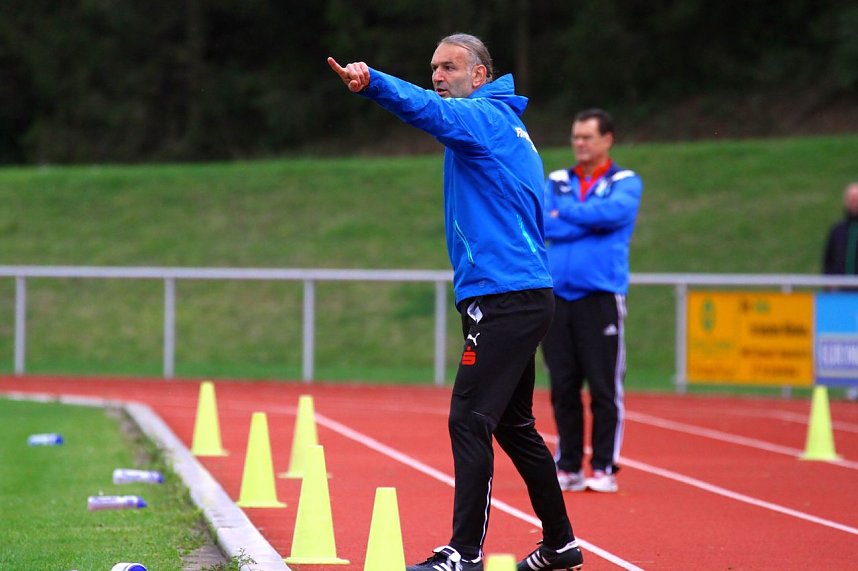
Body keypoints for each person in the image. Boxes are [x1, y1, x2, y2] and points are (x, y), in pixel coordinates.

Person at [329, 34, 583, 571]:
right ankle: (560, 545)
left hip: (505, 297)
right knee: (514, 426)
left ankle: (465, 553)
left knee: (469, 419)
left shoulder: (484, 119)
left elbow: (424, 109)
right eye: (433, 68)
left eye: (449, 67)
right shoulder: (507, 126)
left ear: (481, 76)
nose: (438, 76)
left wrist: (373, 82)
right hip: (520, 293)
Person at [541, 109, 643, 494]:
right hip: (557, 296)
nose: (579, 144)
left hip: (600, 296)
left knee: (603, 386)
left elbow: (614, 214)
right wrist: (586, 220)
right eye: (575, 137)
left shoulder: (625, 181)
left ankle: (603, 466)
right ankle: (568, 464)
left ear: (607, 139)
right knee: (563, 385)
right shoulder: (558, 179)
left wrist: (565, 214)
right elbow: (543, 222)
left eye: (587, 137)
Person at [822, 181, 858, 400]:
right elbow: (828, 260)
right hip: (841, 297)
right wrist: (829, 286)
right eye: (852, 200)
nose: (854, 204)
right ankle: (849, 383)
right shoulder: (838, 231)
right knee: (845, 340)